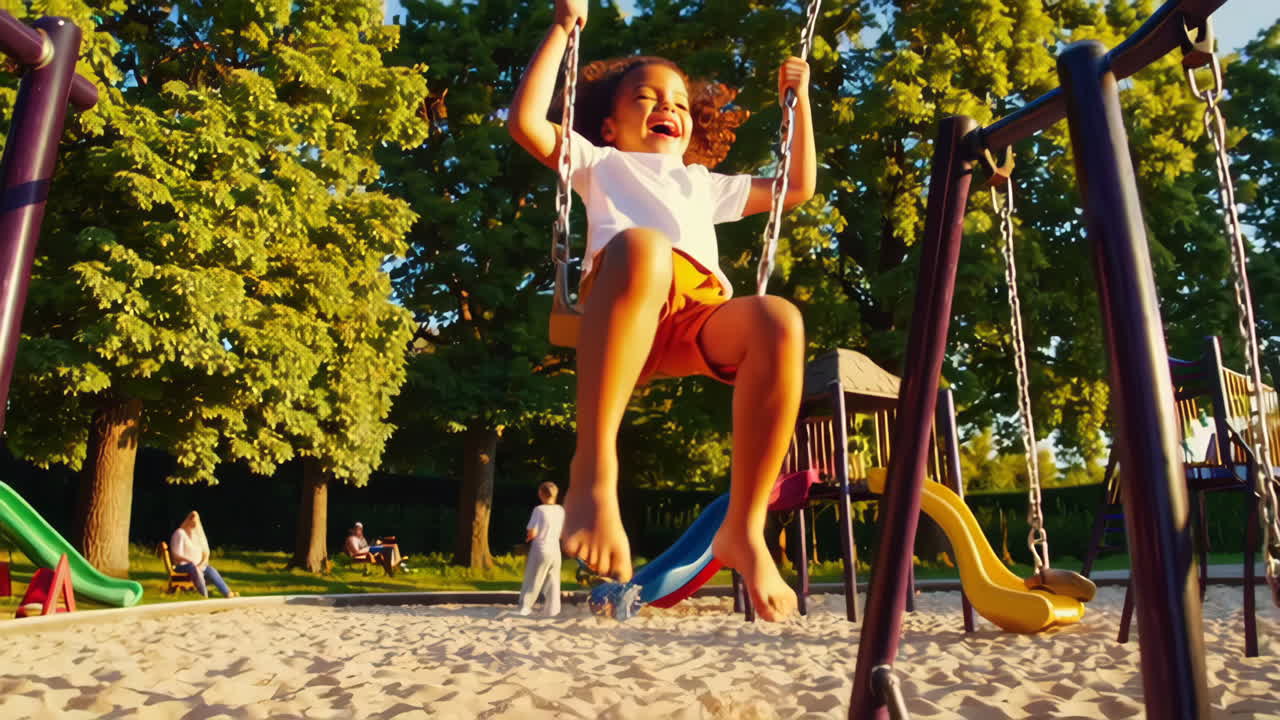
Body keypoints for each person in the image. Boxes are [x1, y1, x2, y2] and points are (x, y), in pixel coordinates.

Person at [508, 0, 814, 621]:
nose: (666, 107)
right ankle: (594, 468)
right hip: (622, 302)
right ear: (611, 126)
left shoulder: (703, 182)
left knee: (779, 319)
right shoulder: (600, 164)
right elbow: (527, 123)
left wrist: (798, 101)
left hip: (696, 318)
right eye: (645, 98)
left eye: (676, 100)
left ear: (692, 124)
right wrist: (563, 27)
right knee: (646, 247)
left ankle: (744, 530)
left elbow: (797, 188)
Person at [518, 481, 566, 616]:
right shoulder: (560, 510)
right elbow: (562, 533)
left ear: (541, 493)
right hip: (555, 550)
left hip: (541, 549)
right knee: (554, 580)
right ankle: (553, 610)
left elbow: (532, 531)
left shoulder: (539, 510)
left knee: (534, 578)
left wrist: (528, 538)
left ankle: (526, 607)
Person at [170, 510, 239, 599]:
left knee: (210, 569)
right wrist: (191, 562)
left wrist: (200, 564)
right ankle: (204, 595)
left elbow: (204, 553)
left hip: (195, 566)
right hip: (182, 567)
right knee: (193, 568)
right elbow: (176, 555)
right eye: (193, 522)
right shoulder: (180, 533)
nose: (194, 525)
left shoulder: (195, 536)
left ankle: (227, 592)